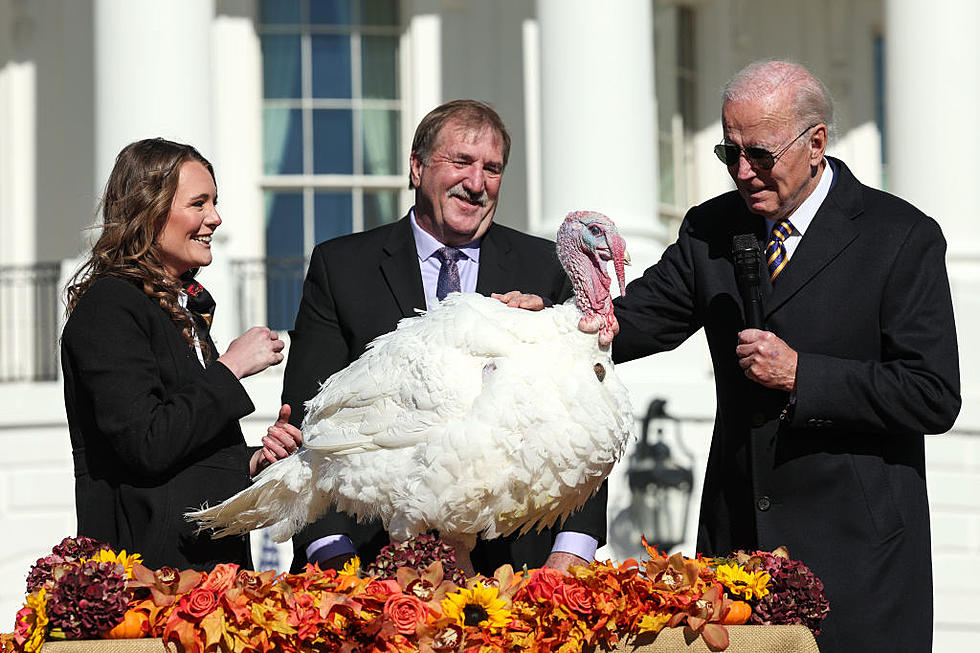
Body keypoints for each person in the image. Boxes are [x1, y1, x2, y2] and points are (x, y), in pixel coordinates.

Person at [599, 61, 959, 653]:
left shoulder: (899, 237)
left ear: (815, 142)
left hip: (858, 567)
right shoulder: (711, 229)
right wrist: (541, 322)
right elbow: (628, 323)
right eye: (728, 152)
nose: (743, 172)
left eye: (760, 154)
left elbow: (931, 394)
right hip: (737, 559)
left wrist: (803, 375)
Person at [281, 99, 607, 575]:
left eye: (492, 169)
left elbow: (585, 421)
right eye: (461, 162)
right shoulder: (342, 267)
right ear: (417, 167)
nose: (476, 184)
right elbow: (309, 422)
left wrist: (569, 556)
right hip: (371, 565)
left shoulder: (546, 271)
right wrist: (334, 557)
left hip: (517, 572)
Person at [62, 138, 302, 571]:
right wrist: (230, 368)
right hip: (146, 583)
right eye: (199, 203)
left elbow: (187, 450)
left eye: (214, 202)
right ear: (149, 211)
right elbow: (147, 443)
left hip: (201, 575)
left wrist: (254, 460)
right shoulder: (109, 306)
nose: (215, 218)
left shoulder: (177, 309)